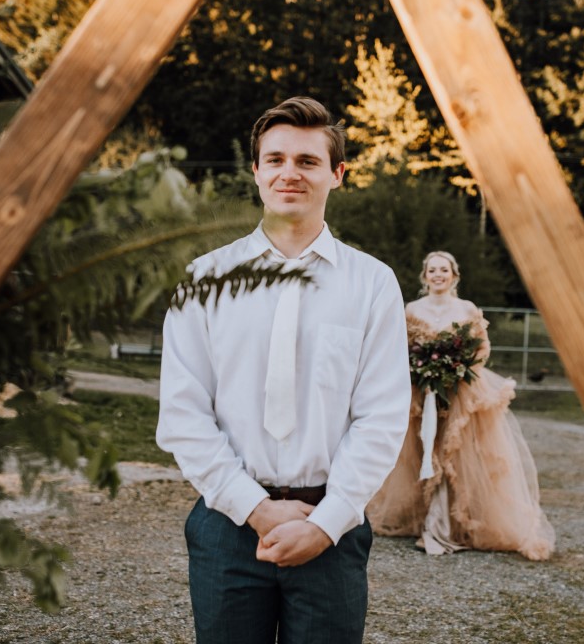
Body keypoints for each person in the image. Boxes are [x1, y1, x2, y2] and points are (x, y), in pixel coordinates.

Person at [157, 97, 411, 643]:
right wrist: (256, 509)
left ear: (337, 174)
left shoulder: (372, 284)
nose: (289, 173)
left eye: (307, 161)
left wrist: (325, 522)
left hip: (332, 528)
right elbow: (183, 413)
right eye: (274, 160)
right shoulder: (205, 278)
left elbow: (382, 416)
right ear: (256, 171)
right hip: (227, 523)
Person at [367, 250, 555, 561]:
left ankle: (448, 523)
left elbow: (480, 350)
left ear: (454, 276)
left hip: (460, 393)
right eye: (432, 270)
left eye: (444, 270)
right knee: (422, 450)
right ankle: (427, 517)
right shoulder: (411, 309)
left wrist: (454, 369)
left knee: (456, 455)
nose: (438, 275)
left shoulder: (466, 308)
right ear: (424, 276)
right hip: (422, 391)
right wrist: (422, 372)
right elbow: (397, 347)